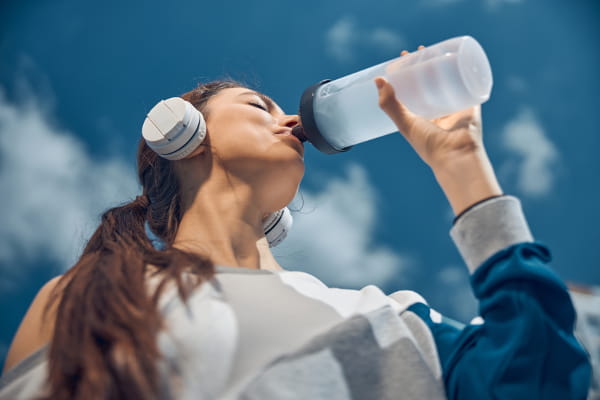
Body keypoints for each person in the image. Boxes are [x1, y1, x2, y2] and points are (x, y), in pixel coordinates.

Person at [0, 49, 592, 399]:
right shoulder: (96, 298)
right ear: (183, 131)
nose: (290, 123)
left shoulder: (387, 319)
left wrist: (463, 166)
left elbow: (542, 380)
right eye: (260, 107)